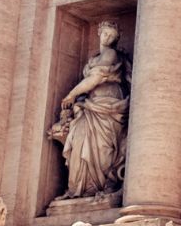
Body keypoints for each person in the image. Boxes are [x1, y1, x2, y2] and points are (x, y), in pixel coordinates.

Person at [50, 20, 129, 198]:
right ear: (99, 32)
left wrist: (72, 94)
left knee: (102, 148)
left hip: (108, 105)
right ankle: (80, 188)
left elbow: (95, 79)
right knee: (78, 141)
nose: (108, 38)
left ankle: (100, 185)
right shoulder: (94, 58)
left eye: (112, 36)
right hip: (91, 105)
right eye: (105, 33)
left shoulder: (111, 54)